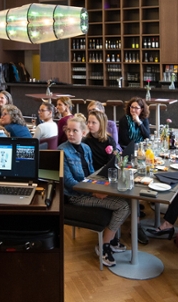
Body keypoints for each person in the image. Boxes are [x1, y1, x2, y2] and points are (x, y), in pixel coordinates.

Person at [58, 114, 130, 267]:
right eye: (68, 130)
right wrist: (93, 192)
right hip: (75, 196)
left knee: (125, 200)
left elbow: (91, 174)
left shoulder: (85, 148)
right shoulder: (62, 151)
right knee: (123, 206)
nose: (70, 134)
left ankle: (111, 240)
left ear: (83, 133)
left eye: (75, 131)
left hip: (88, 189)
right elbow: (70, 182)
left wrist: (100, 185)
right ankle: (104, 245)